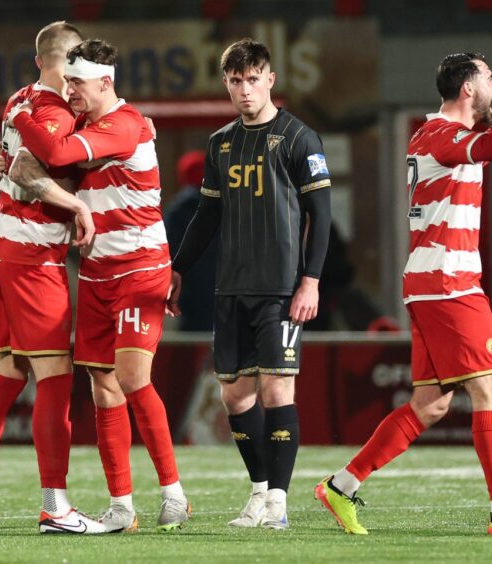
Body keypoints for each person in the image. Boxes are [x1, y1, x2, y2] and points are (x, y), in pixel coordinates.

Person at [315, 53, 492, 535]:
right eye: (489, 76)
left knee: (431, 404)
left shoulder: (448, 137)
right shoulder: (439, 136)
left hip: (437, 282)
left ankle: (341, 486)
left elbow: (491, 142)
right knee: (489, 387)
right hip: (448, 284)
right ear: (467, 88)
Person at [7, 38, 191, 533]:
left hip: (139, 270)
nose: (70, 91)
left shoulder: (127, 124)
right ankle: (122, 506)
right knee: (103, 388)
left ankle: (173, 493)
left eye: (78, 83)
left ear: (105, 83)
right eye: (66, 82)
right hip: (96, 272)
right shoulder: (86, 123)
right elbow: (39, 167)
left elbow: (53, 150)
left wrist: (19, 116)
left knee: (132, 378)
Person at [0, 21, 107, 535]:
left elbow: (13, 164)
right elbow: (32, 175)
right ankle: (55, 507)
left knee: (9, 375)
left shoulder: (20, 99)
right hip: (32, 259)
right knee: (55, 382)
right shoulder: (59, 110)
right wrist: (77, 204)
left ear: (38, 59)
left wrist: (12, 164)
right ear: (73, 60)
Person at [166, 38, 332, 530]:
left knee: (278, 389)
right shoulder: (220, 144)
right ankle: (259, 491)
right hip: (230, 288)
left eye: (253, 79)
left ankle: (279, 503)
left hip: (281, 288)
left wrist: (311, 281)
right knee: (234, 397)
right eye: (236, 81)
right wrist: (178, 267)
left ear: (270, 80)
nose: (245, 90)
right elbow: (207, 214)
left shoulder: (300, 138)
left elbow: (320, 216)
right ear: (226, 83)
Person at [163, 150, 217, 332]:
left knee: (191, 351)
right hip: (223, 293)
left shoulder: (177, 211)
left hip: (189, 295)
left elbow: (168, 252)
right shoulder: (227, 206)